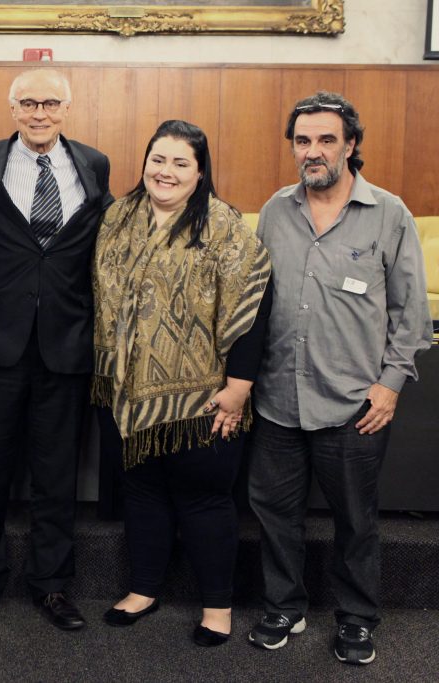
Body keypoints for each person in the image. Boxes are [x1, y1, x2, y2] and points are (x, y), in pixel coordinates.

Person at [247, 92, 431, 665]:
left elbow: (411, 314)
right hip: (278, 399)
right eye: (303, 140)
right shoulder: (277, 210)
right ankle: (284, 605)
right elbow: (254, 301)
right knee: (274, 515)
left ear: (351, 145)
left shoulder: (389, 213)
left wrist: (390, 385)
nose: (313, 151)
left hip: (354, 404)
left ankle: (356, 618)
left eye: (327, 139)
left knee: (356, 521)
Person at [92, 120, 271, 646]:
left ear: (199, 171)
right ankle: (144, 589)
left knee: (205, 499)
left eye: (180, 163)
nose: (165, 171)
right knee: (142, 492)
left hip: (205, 396)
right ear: (144, 161)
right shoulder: (117, 218)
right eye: (158, 159)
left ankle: (218, 606)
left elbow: (252, 311)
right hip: (128, 393)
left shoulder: (224, 227)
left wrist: (239, 387)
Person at [0, 68, 112, 631]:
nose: (40, 113)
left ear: (68, 107)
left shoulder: (94, 164)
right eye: (29, 104)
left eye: (51, 103)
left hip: (66, 343)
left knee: (56, 474)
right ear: (12, 108)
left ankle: (52, 586)